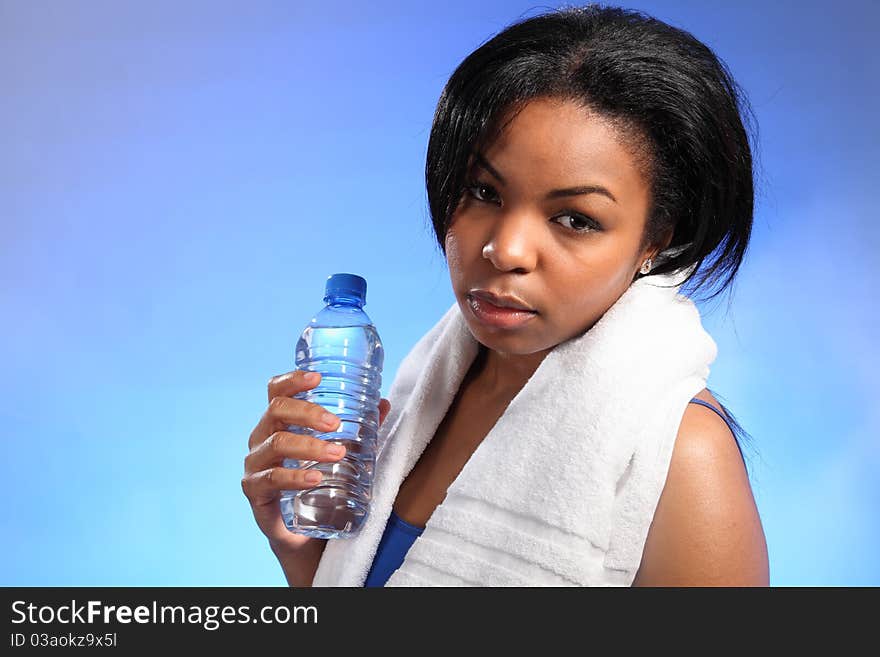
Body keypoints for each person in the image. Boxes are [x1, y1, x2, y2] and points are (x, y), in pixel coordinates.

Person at [242, 3, 769, 587]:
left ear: (656, 241)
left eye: (575, 218)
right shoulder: (423, 398)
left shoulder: (682, 456)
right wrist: (309, 562)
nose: (506, 249)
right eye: (484, 192)